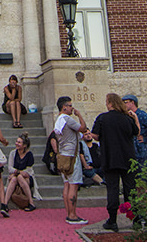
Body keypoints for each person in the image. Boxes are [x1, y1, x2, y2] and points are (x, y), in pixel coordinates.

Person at [88, 93, 141, 232]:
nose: (106, 104)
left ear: (111, 103)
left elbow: (96, 136)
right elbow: (136, 132)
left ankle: (112, 220)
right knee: (131, 189)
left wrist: (89, 135)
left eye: (107, 101)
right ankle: (136, 219)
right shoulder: (127, 118)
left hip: (110, 158)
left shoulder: (103, 118)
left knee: (112, 189)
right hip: (128, 158)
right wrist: (135, 118)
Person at [54, 95, 90, 225]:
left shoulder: (58, 120)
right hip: (71, 156)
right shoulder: (67, 119)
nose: (71, 108)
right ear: (64, 107)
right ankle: (72, 215)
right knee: (73, 185)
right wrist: (79, 115)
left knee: (66, 184)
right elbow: (83, 128)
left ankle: (68, 213)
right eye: (69, 105)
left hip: (63, 155)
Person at [122, 94, 147, 167]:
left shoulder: (141, 115)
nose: (123, 105)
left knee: (142, 173)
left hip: (140, 148)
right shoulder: (126, 116)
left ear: (132, 102)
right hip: (130, 148)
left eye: (125, 102)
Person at [3, 132, 38, 212]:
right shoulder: (13, 153)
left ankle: (31, 202)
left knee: (19, 177)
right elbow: (10, 168)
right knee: (15, 179)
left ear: (24, 145)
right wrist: (18, 172)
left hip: (27, 178)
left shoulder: (29, 154)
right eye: (16, 141)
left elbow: (28, 171)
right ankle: (5, 203)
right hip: (16, 176)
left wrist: (17, 173)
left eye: (19, 142)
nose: (16, 144)